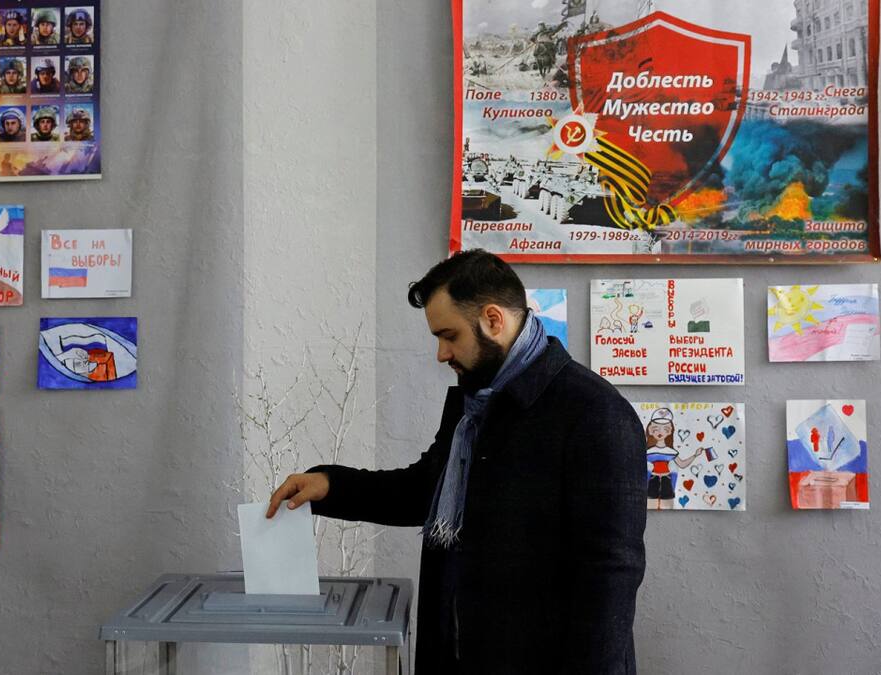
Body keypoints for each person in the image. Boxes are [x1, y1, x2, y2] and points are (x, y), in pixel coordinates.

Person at [267, 249, 647, 673]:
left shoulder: (596, 413)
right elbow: (423, 490)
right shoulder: (474, 406)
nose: (442, 354)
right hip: (457, 651)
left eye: (449, 336)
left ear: (493, 320)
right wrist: (331, 486)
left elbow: (611, 575)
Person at [643, 408, 704, 511]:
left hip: (668, 480)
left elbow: (682, 464)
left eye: (664, 429)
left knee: (667, 506)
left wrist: (695, 455)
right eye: (656, 429)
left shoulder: (671, 451)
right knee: (650, 506)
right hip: (652, 480)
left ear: (669, 431)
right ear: (650, 430)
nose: (660, 432)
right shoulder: (649, 451)